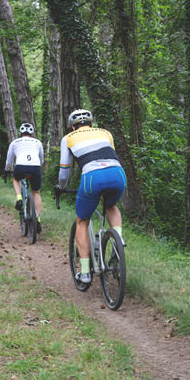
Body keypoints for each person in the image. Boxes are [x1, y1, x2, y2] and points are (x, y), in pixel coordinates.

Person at [56, 109, 126, 285]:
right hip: (118, 173)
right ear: (92, 123)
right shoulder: (105, 133)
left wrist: (61, 187)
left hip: (92, 177)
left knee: (82, 221)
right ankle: (118, 240)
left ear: (73, 126)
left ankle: (86, 273)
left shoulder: (68, 138)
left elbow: (64, 171)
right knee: (111, 206)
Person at [4, 123, 44, 232]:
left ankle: (19, 198)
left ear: (20, 133)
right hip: (35, 166)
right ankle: (38, 219)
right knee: (36, 192)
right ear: (32, 134)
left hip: (20, 166)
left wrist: (7, 170)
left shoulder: (15, 142)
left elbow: (9, 161)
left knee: (16, 179)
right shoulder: (38, 142)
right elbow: (42, 159)